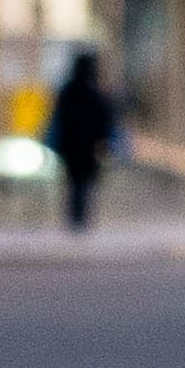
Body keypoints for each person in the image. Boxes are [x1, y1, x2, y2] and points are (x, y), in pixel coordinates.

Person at [47, 41, 120, 234]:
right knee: (84, 184)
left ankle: (75, 220)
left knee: (74, 183)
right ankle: (80, 221)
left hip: (71, 147)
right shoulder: (97, 94)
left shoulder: (67, 92)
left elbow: (58, 119)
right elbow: (106, 120)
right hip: (89, 148)